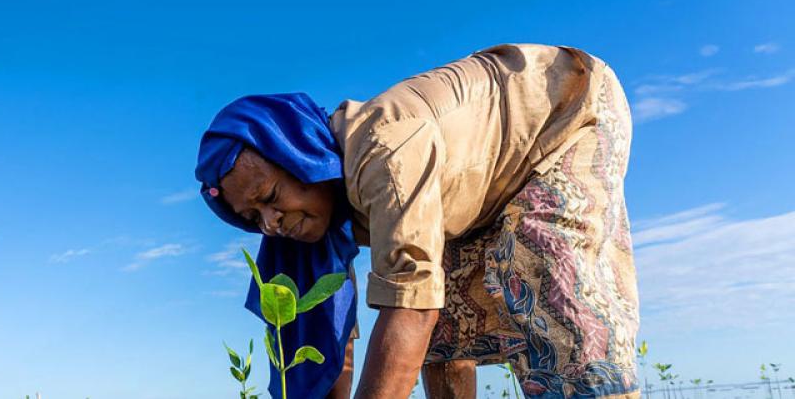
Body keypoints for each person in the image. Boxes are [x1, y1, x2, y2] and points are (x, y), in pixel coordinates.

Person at [195, 43, 641, 399]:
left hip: (562, 110)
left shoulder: (384, 155)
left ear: (302, 156)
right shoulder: (322, 217)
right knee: (442, 329)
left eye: (271, 196)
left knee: (545, 279)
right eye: (253, 217)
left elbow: (411, 306)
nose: (270, 223)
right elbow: (333, 335)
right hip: (472, 193)